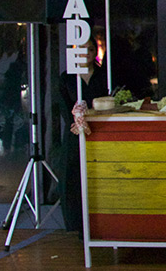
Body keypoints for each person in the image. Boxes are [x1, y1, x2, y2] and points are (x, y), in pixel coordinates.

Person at [58, 38, 108, 234]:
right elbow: (63, 105)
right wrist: (75, 124)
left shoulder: (104, 75)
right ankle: (77, 226)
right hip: (75, 133)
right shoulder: (67, 77)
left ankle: (101, 225)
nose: (86, 53)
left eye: (91, 49)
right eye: (83, 49)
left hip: (100, 131)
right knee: (73, 177)